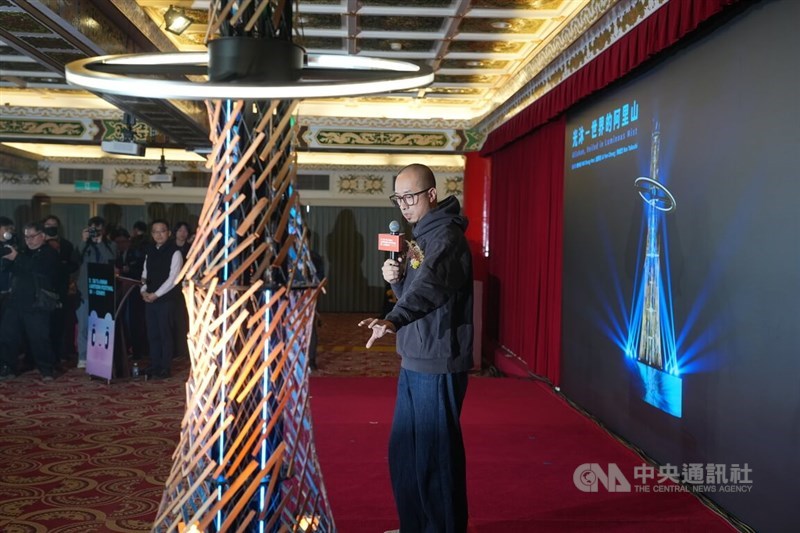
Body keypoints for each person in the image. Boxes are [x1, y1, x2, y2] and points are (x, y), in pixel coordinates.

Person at [358, 163, 474, 533]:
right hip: (414, 356)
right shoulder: (420, 238)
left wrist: (394, 317)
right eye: (398, 198)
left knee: (435, 458)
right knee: (405, 453)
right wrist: (397, 279)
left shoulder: (446, 239)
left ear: (431, 195)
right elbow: (415, 287)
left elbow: (430, 289)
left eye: (410, 197)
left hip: (437, 359)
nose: (404, 206)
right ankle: (415, 525)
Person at [0, 222, 61, 380]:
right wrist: (8, 256)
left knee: (39, 338)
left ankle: (47, 369)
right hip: (16, 301)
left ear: (42, 236)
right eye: (26, 237)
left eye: (32, 236)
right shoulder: (22, 251)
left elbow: (39, 269)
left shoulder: (49, 253)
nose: (29, 240)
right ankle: (8, 368)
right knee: (8, 336)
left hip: (36, 303)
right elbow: (7, 268)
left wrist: (17, 257)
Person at [140, 220, 183, 379]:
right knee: (153, 334)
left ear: (169, 233)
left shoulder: (175, 252)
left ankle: (165, 367)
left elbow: (173, 278)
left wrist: (156, 294)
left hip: (166, 300)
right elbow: (145, 273)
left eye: (162, 231)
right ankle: (154, 364)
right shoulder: (149, 250)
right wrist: (143, 290)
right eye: (155, 232)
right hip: (149, 298)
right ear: (152, 234)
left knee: (165, 334)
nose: (159, 234)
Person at [75, 216, 117, 369]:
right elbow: (75, 259)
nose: (96, 232)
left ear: (104, 230)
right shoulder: (84, 245)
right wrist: (84, 240)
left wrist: (100, 243)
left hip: (103, 290)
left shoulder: (110, 245)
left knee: (101, 325)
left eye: (98, 229)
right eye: (93, 229)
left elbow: (111, 259)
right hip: (85, 290)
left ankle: (99, 357)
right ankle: (82, 356)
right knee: (84, 326)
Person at [43, 215, 79, 365]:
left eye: (54, 225)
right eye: (48, 224)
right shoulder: (38, 244)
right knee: (43, 325)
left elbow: (74, 264)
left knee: (60, 324)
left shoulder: (66, 245)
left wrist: (62, 267)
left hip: (61, 290)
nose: (51, 227)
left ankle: (59, 355)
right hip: (42, 291)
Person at [172, 221, 191, 359]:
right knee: (171, 319)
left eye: (185, 230)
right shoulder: (170, 247)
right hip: (170, 287)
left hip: (185, 287)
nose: (182, 233)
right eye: (180, 230)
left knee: (183, 318)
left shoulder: (191, 248)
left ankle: (183, 351)